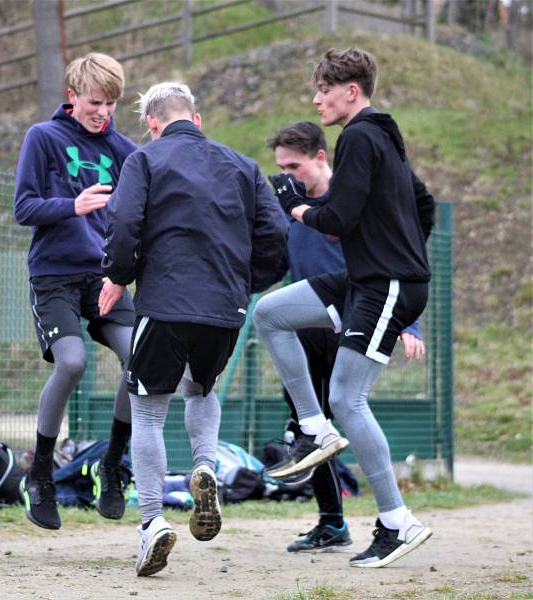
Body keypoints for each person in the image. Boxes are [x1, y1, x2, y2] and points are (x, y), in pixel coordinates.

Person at [253, 47, 436, 568]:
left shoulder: (358, 135)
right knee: (270, 313)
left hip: (386, 286)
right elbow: (421, 204)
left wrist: (296, 207)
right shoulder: (383, 135)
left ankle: (397, 523)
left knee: (349, 400)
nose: (316, 99)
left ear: (350, 91)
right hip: (364, 278)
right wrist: (399, 245)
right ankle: (313, 428)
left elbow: (339, 219)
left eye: (323, 90)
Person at [100, 81, 287, 576]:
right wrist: (245, 283)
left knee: (147, 411)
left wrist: (118, 276)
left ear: (153, 125)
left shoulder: (145, 159)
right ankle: (206, 466)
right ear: (197, 120)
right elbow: (278, 234)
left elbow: (123, 222)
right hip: (224, 310)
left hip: (164, 303)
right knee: (202, 390)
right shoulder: (243, 166)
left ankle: (152, 522)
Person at [13, 53, 138, 530]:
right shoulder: (42, 138)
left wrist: (123, 272)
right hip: (54, 275)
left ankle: (111, 465)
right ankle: (40, 473)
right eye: (93, 102)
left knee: (139, 358)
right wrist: (73, 205)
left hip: (104, 277)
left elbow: (134, 219)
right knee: (72, 362)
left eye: (109, 104)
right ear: (71, 97)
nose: (101, 112)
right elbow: (24, 207)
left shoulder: (126, 150)